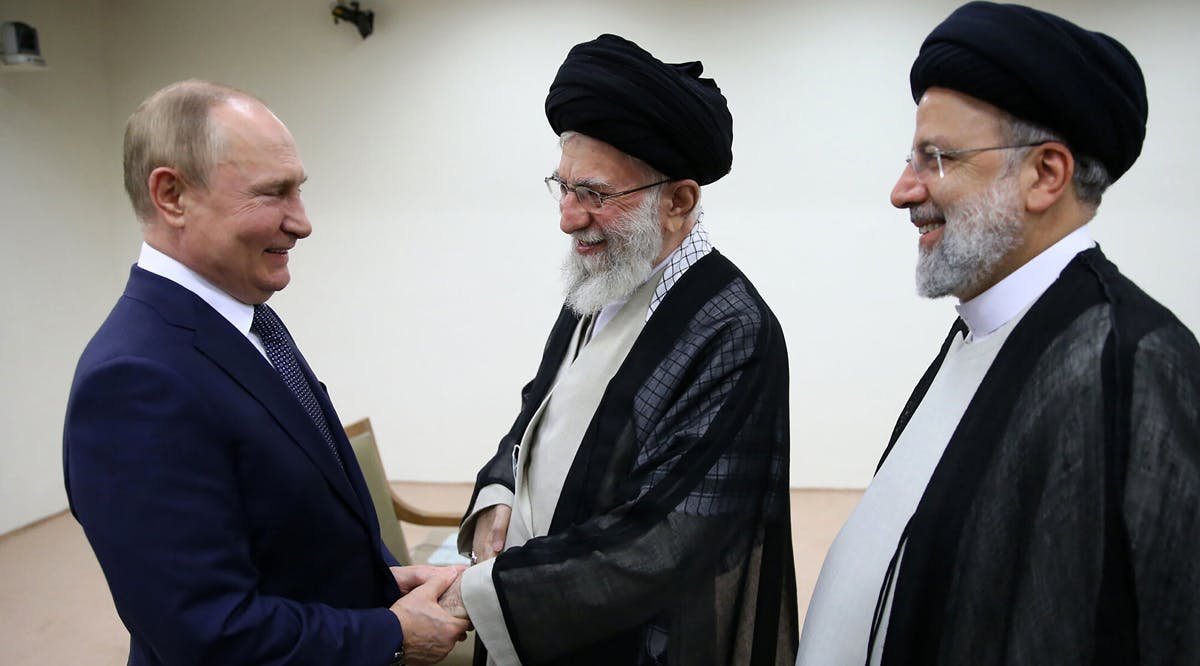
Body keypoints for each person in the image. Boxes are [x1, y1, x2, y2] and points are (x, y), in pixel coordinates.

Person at [798, 3, 1200, 665]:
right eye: (912, 158)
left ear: (1046, 174)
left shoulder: (1134, 362)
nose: (903, 191)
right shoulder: (981, 329)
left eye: (938, 159)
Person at [62, 80, 470, 666]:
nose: (302, 223)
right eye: (273, 193)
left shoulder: (246, 322)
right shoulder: (134, 382)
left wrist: (381, 581)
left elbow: (286, 524)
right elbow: (207, 630)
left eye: (298, 191)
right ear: (172, 195)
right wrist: (391, 635)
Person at [438, 34, 797, 665]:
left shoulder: (731, 327)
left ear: (678, 201)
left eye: (595, 195)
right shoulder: (606, 278)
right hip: (536, 604)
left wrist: (480, 595)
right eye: (564, 187)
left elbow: (667, 537)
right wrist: (499, 492)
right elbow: (537, 414)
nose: (568, 218)